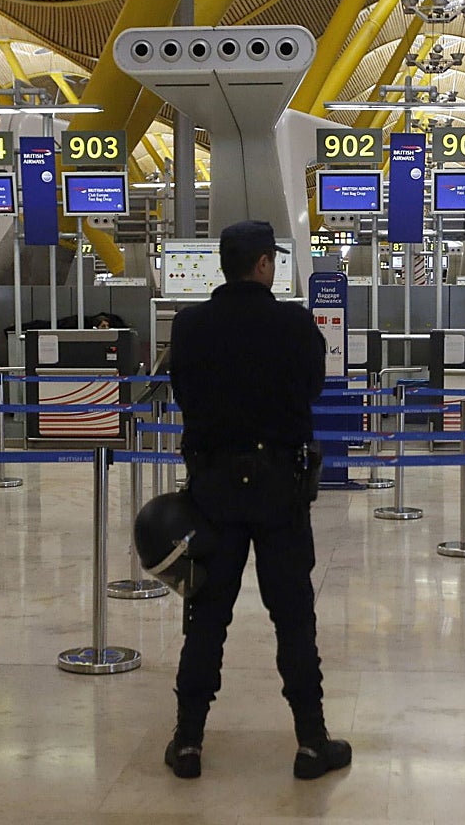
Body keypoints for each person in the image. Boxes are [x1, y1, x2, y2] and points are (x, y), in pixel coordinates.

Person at [166, 220, 350, 780]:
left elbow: (182, 394)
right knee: (293, 617)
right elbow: (314, 387)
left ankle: (189, 742)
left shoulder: (190, 326)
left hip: (213, 492)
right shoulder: (293, 324)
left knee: (206, 616)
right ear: (265, 264)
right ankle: (312, 743)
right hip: (279, 492)